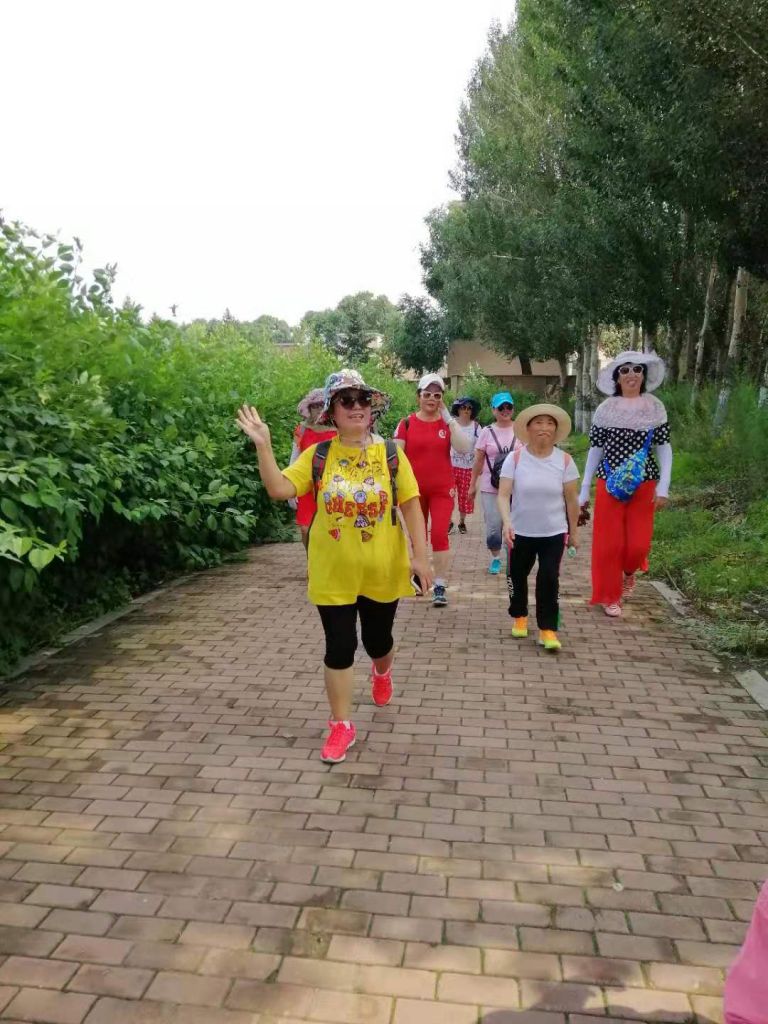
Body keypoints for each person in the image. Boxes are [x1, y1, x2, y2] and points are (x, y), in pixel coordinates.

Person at [236, 369, 432, 764]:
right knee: (340, 647)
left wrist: (421, 557)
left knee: (378, 642)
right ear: (331, 412)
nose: (356, 406)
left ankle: (382, 672)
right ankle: (341, 724)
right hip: (332, 572)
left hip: (382, 569)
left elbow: (410, 504)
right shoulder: (319, 456)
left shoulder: (391, 454)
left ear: (372, 408)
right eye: (346, 400)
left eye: (363, 399)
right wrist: (264, 446)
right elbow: (279, 489)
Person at [578, 350, 672, 618]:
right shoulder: (605, 410)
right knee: (609, 544)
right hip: (609, 483)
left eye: (637, 369)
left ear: (644, 375)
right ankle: (610, 595)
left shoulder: (655, 407)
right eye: (625, 370)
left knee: (638, 545)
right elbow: (595, 450)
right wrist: (584, 489)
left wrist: (663, 486)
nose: (632, 374)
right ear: (617, 378)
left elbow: (664, 448)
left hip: (644, 483)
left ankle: (629, 571)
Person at [497, 404, 580, 652]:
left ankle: (548, 629)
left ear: (556, 430)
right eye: (539, 422)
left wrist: (574, 533)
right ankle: (519, 615)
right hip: (520, 531)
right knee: (516, 575)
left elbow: (572, 500)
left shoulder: (565, 461)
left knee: (549, 578)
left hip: (554, 532)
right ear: (528, 428)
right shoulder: (515, 458)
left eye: (550, 423)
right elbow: (503, 495)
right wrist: (507, 522)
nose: (544, 428)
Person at [394, 373, 471, 608]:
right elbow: (395, 458)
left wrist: (449, 419)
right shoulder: (406, 423)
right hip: (413, 492)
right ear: (418, 396)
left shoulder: (447, 424)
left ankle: (439, 584)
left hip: (442, 489)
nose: (432, 399)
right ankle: (420, 577)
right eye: (427, 394)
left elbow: (464, 448)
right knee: (418, 536)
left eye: (437, 395)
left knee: (438, 534)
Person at [468, 391, 522, 574]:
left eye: (509, 407)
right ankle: (495, 557)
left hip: (516, 486)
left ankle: (513, 557)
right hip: (490, 486)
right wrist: (472, 485)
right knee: (493, 525)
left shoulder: (521, 430)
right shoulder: (486, 432)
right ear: (493, 410)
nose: (505, 410)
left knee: (514, 523)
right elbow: (478, 461)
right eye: (501, 407)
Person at [290, 388, 337, 549]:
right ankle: (311, 559)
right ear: (309, 409)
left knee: (332, 528)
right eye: (315, 406)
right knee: (305, 529)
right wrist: (292, 486)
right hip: (307, 484)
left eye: (322, 405)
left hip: (333, 485)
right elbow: (294, 458)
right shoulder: (301, 430)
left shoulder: (340, 430)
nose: (318, 409)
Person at [448, 396, 480, 535]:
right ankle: (449, 522)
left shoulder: (476, 427)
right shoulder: (451, 424)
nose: (466, 410)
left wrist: (479, 467)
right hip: (451, 466)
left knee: (465, 497)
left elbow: (480, 448)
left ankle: (462, 522)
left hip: (468, 468)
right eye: (463, 407)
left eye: (469, 408)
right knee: (448, 495)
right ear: (458, 409)